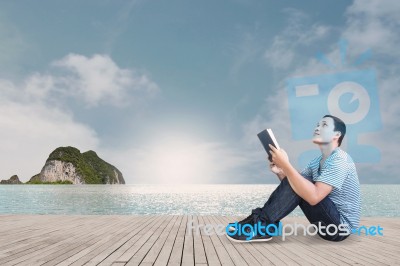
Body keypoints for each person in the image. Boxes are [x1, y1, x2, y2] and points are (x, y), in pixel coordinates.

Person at [227, 115, 361, 242]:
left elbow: (314, 196)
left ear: (336, 135)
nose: (317, 128)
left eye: (324, 125)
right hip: (325, 223)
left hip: (339, 229)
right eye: (317, 125)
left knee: (298, 178)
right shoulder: (316, 162)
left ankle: (262, 226)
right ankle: (263, 223)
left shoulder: (339, 159)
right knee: (298, 179)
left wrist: (286, 164)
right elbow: (296, 188)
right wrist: (281, 171)